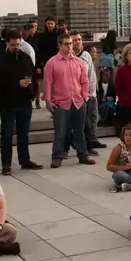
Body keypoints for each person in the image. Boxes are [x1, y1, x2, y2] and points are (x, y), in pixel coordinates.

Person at [0, 29, 40, 175]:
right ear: (7, 43)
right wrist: (17, 83)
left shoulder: (25, 57)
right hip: (8, 103)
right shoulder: (1, 62)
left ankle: (24, 160)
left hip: (25, 102)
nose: (16, 47)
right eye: (13, 45)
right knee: (7, 134)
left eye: (18, 44)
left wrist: (33, 93)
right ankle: (6, 163)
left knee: (24, 133)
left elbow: (33, 76)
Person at [44, 32, 94, 167]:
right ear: (59, 45)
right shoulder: (51, 63)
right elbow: (48, 83)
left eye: (71, 43)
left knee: (80, 131)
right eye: (67, 44)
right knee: (60, 132)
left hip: (78, 101)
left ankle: (83, 155)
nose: (70, 46)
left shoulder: (78, 62)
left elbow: (85, 80)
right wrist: (48, 101)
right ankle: (57, 157)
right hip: (61, 102)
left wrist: (84, 96)